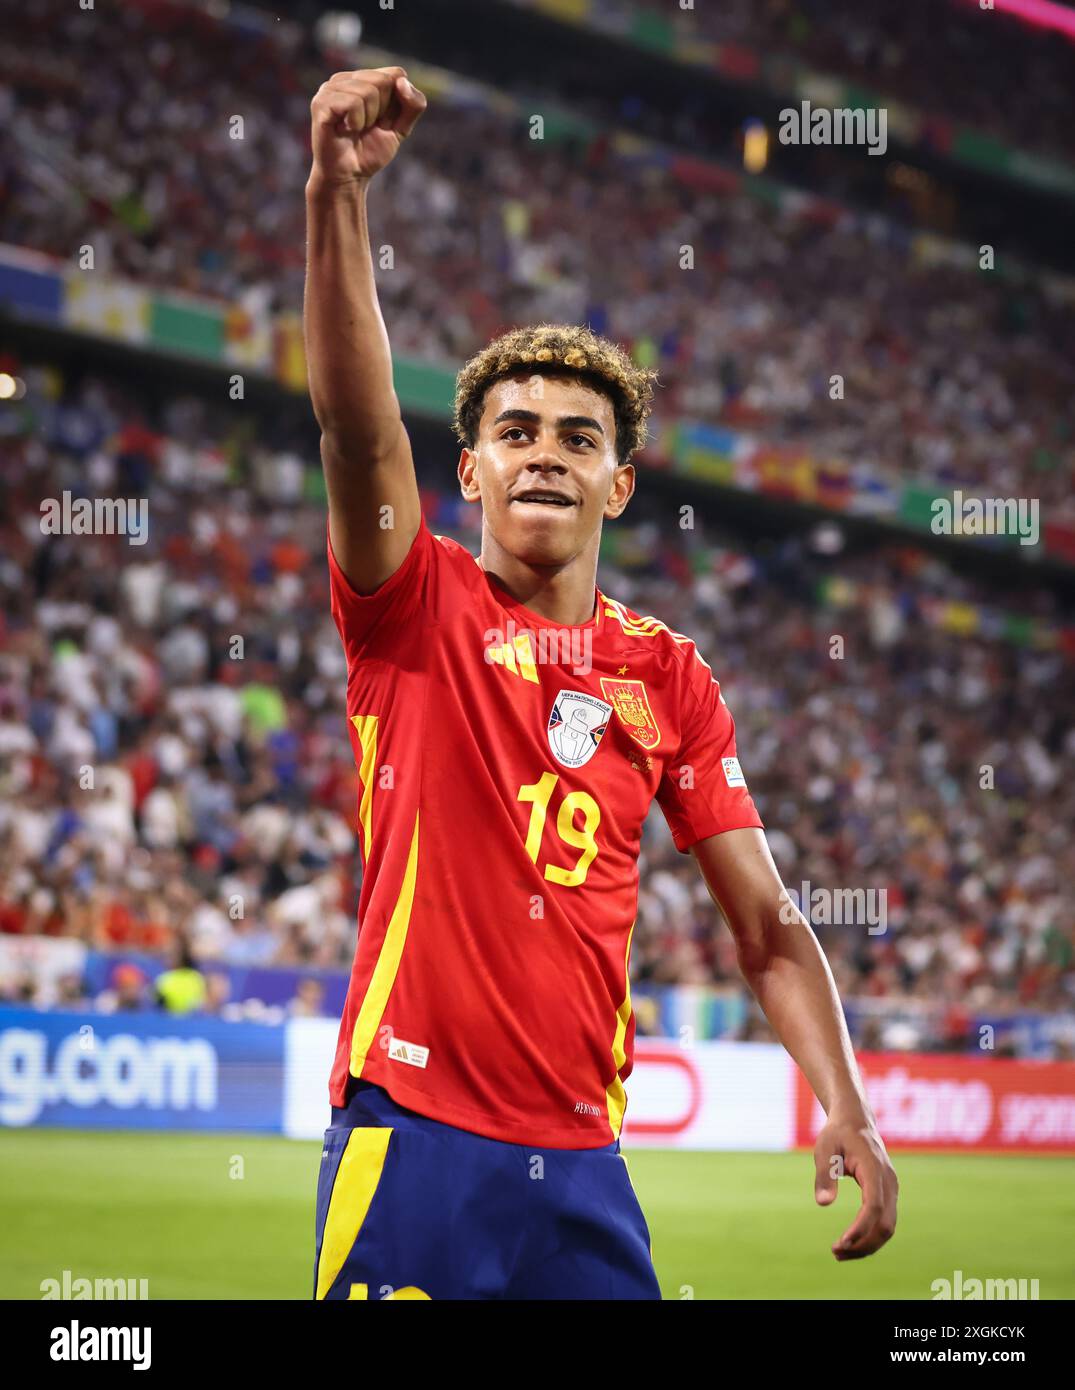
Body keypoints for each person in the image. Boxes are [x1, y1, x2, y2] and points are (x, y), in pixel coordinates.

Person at [304, 65, 898, 1301]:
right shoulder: (415, 607)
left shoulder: (669, 674)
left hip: (583, 1162)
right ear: (467, 469)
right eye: (514, 432)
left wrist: (847, 1100)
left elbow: (766, 926)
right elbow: (360, 433)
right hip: (413, 1132)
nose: (545, 456)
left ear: (617, 487)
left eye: (580, 439)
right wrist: (336, 197)